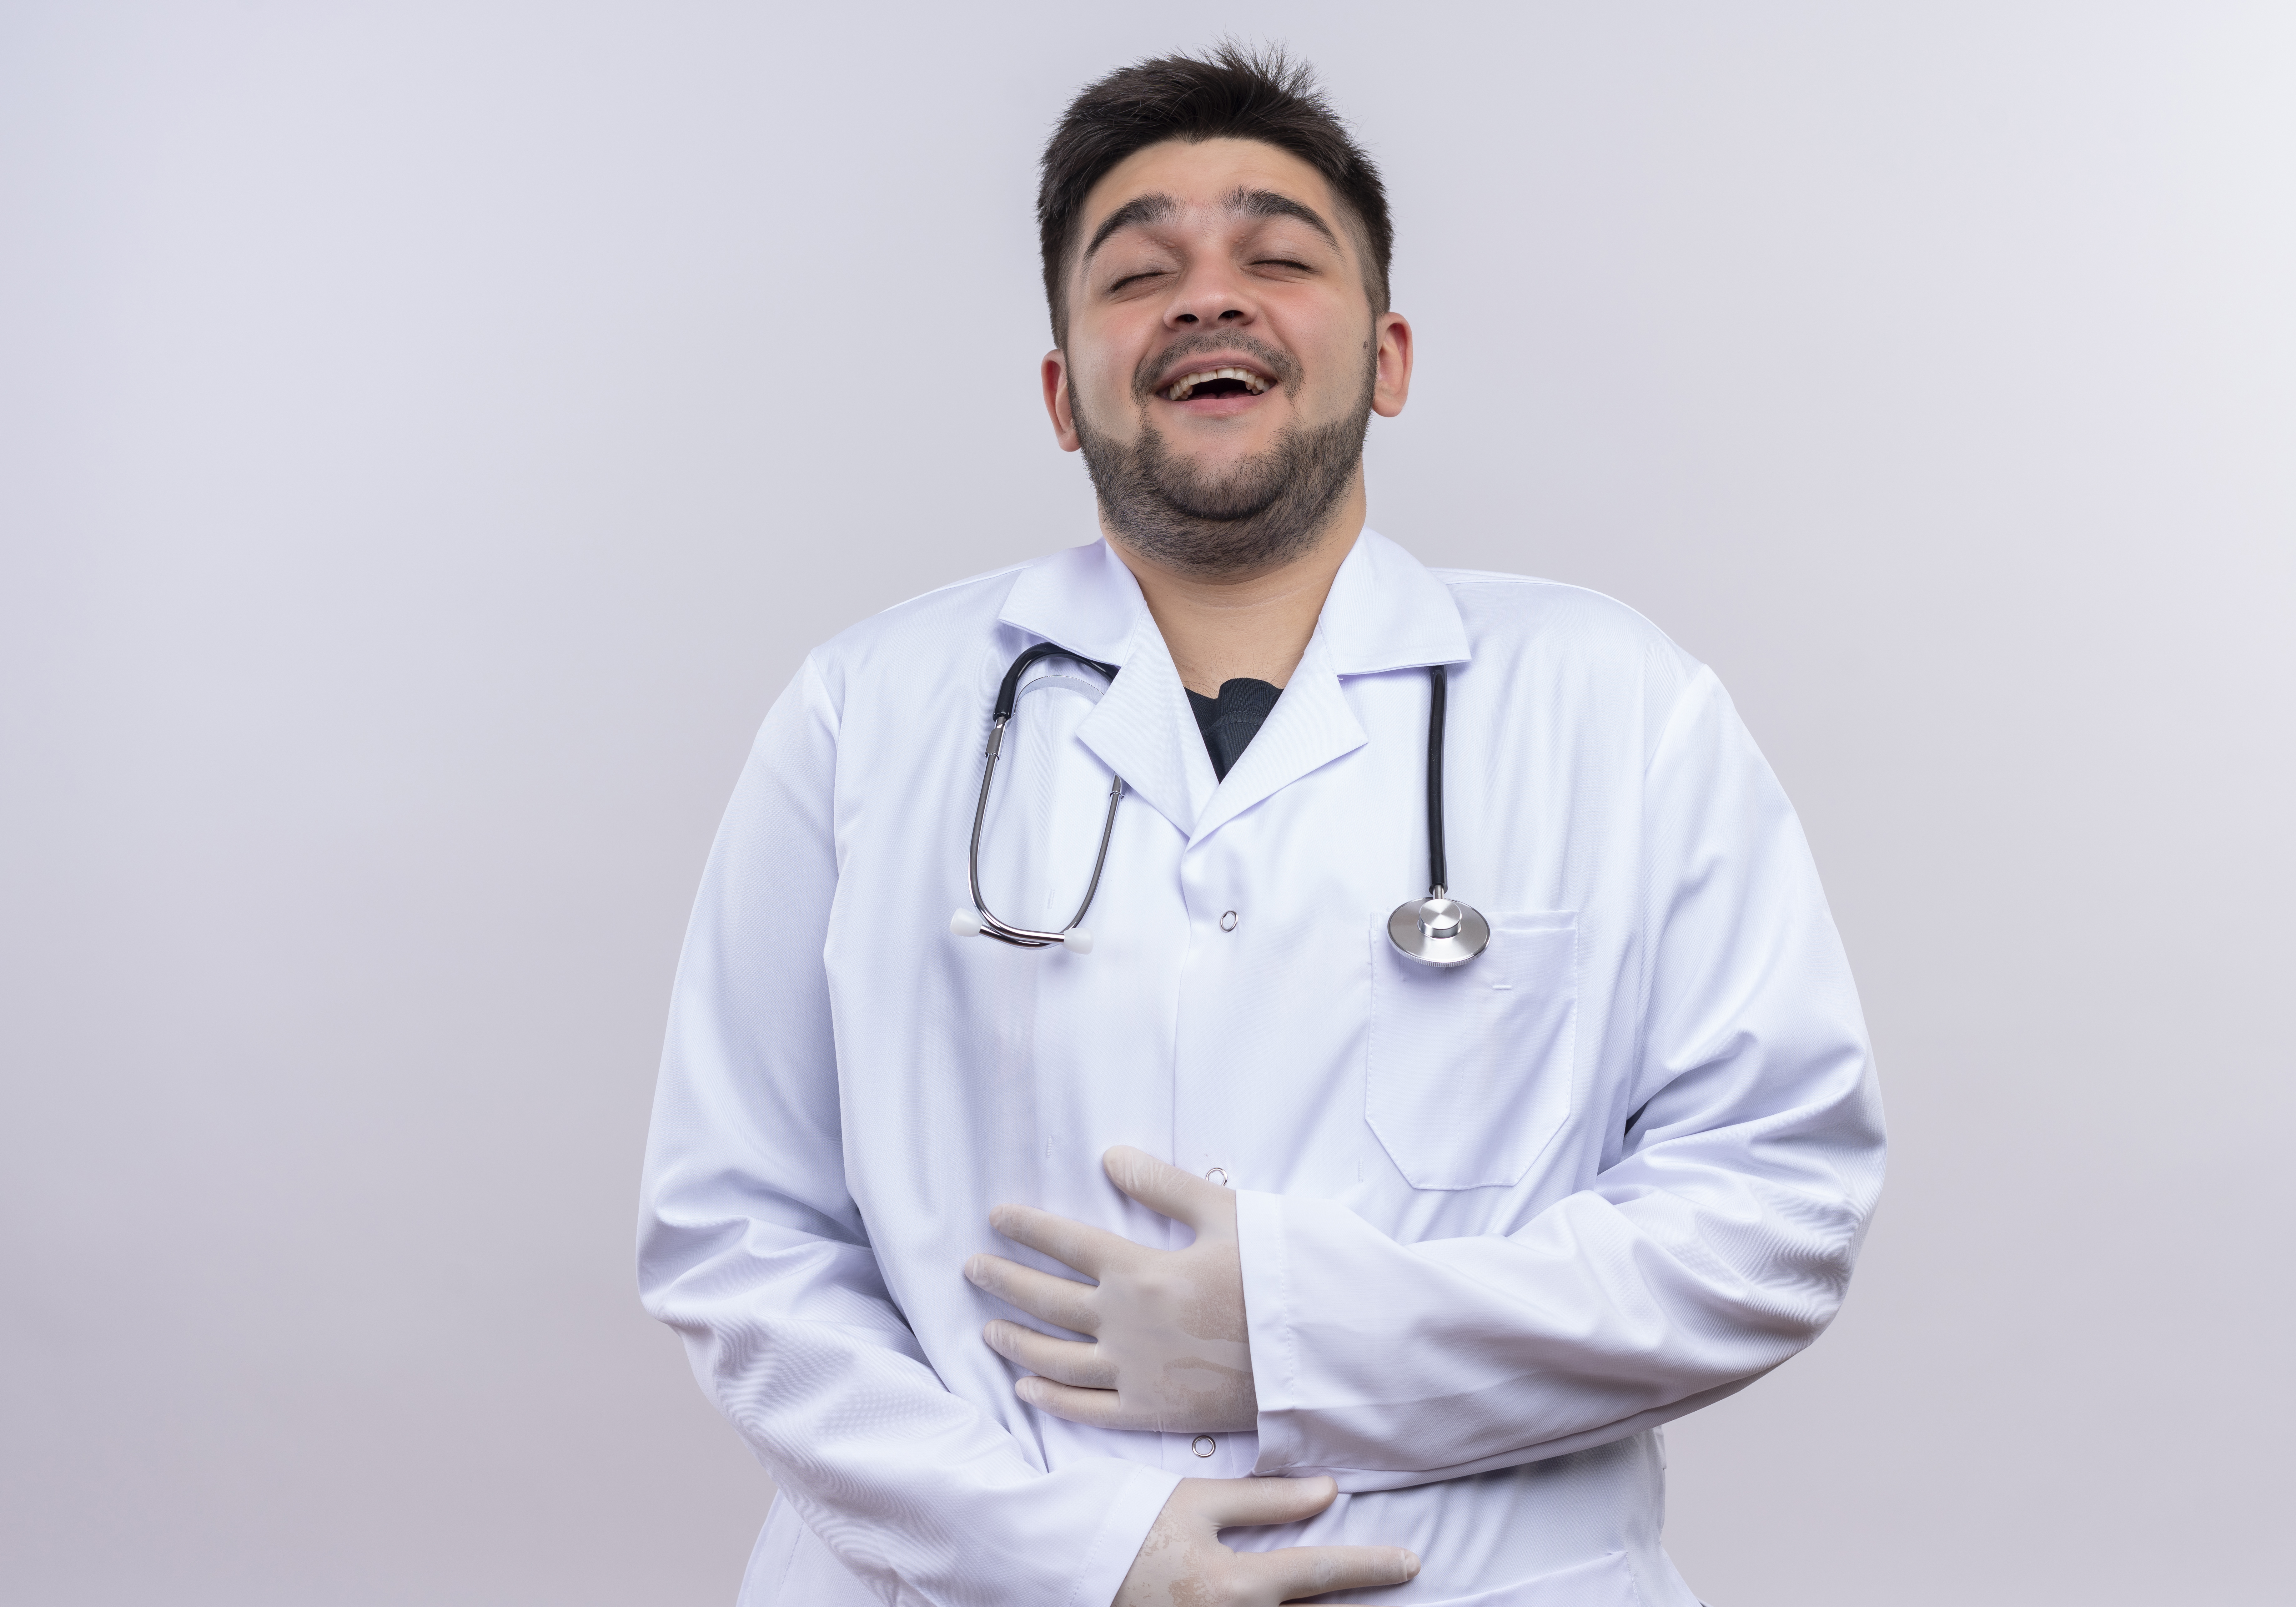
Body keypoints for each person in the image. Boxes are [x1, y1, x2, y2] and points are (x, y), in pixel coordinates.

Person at [637, 44, 1883, 1607]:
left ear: (1388, 354)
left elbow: (1771, 1202)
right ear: (1059, 392)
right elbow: (738, 1232)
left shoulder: (1619, 704)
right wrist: (1075, 1552)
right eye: (1137, 271)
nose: (1207, 298)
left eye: (1278, 258)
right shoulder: (863, 713)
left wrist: (1290, 1334)